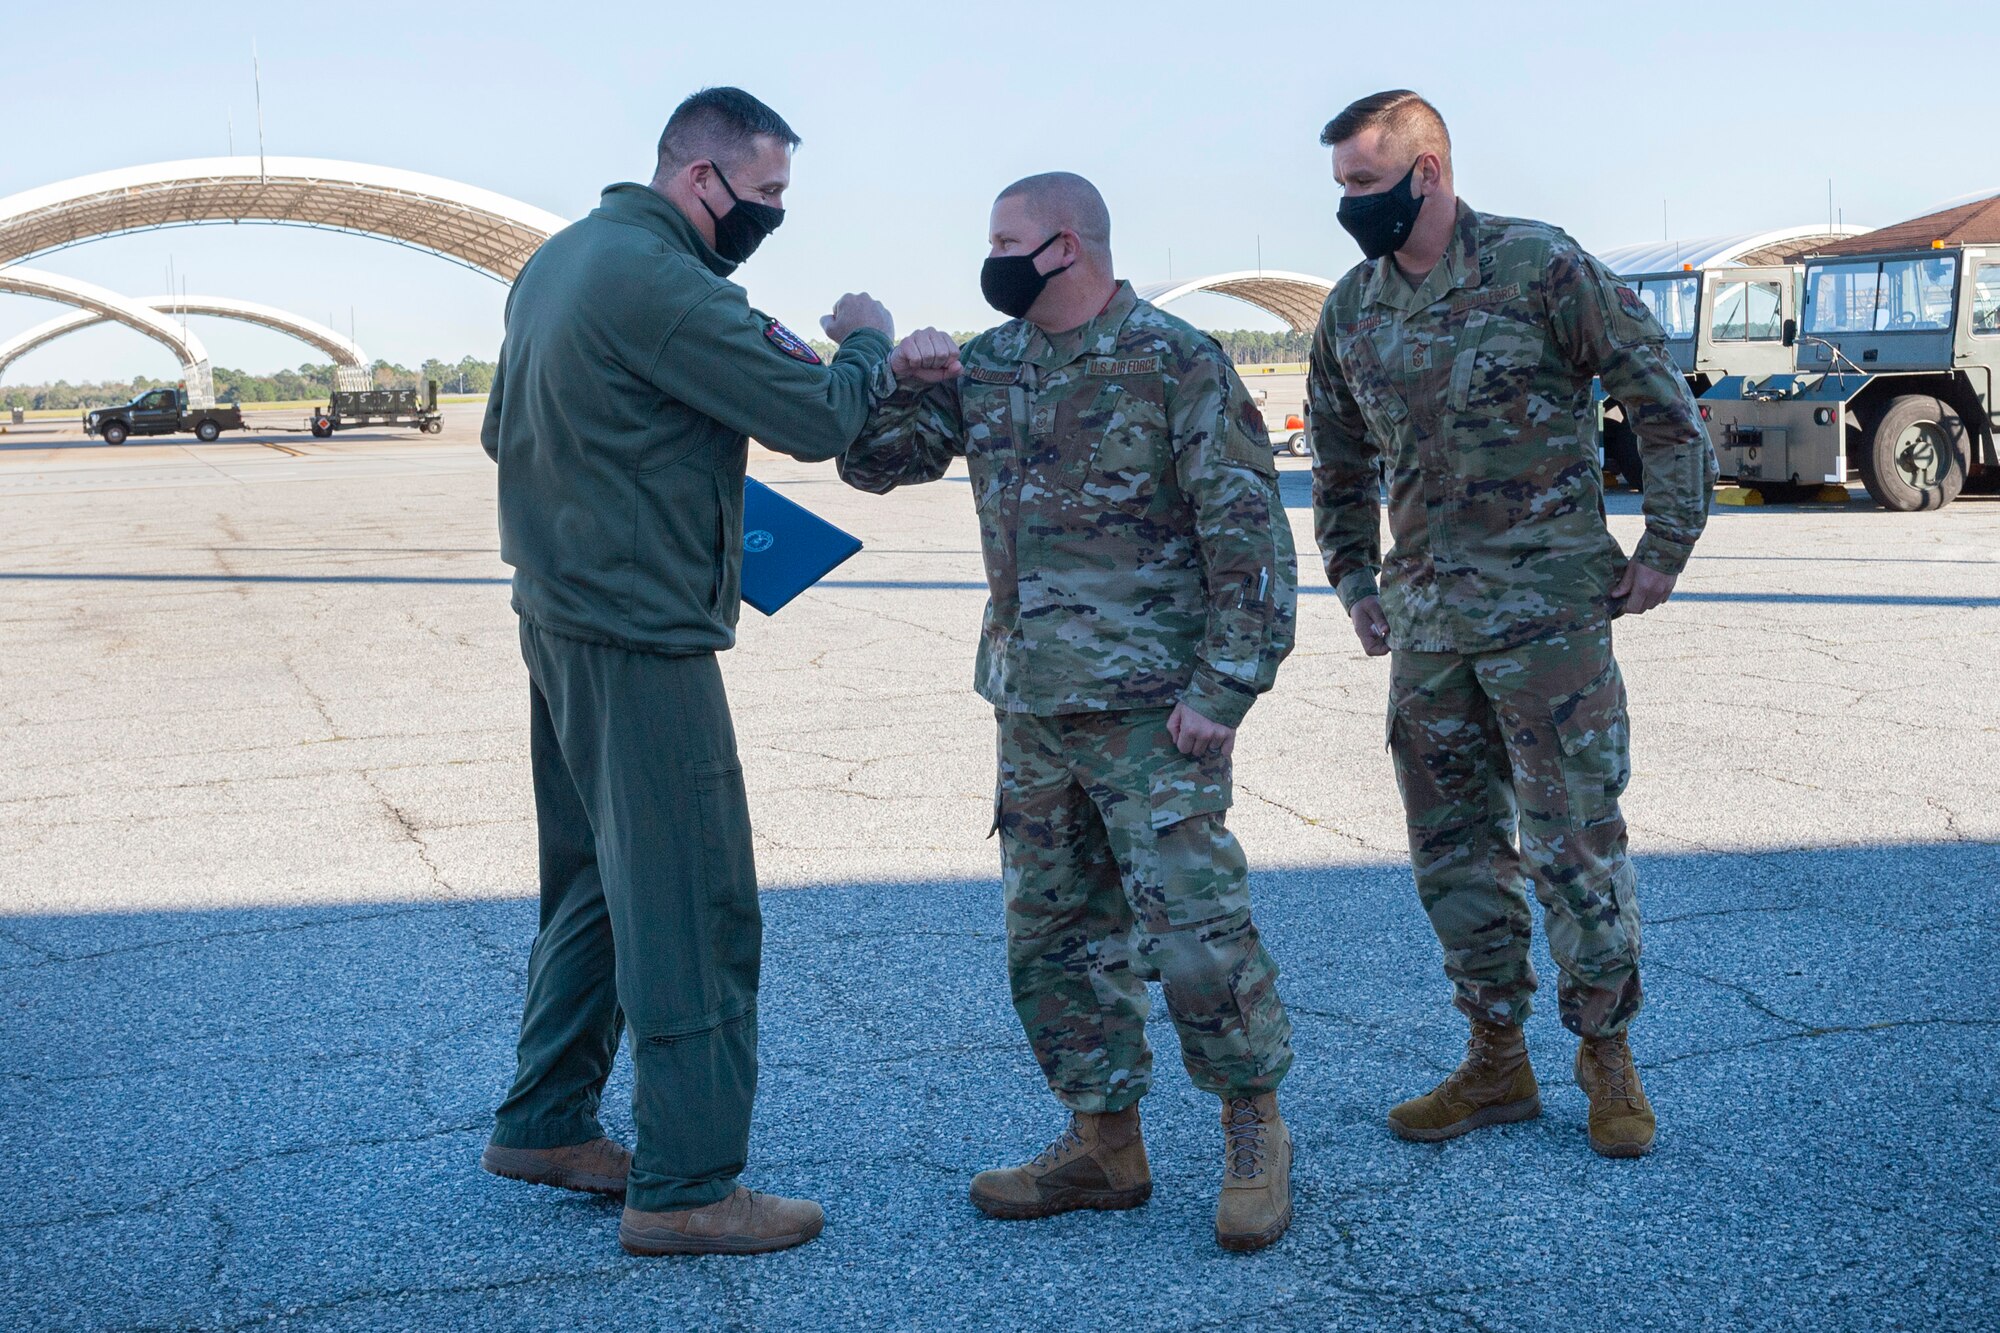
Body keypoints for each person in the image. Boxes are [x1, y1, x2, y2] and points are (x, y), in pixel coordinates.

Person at [840, 172, 1300, 1251]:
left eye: (1003, 239)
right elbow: (871, 467)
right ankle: (1102, 1141)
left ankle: (1254, 1130)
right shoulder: (988, 365)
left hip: (1155, 710)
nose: (986, 257)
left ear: (1065, 247)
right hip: (1033, 704)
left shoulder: (1175, 360)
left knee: (1192, 930)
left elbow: (1248, 539)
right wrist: (895, 379)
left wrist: (1225, 687)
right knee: (1050, 937)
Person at [477, 86, 897, 1256]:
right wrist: (864, 333)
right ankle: (686, 1185)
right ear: (699, 178)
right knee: (693, 902)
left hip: (558, 618)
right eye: (764, 193)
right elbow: (818, 415)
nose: (771, 214)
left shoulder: (559, 261)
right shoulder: (658, 281)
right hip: (639, 636)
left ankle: (545, 1118)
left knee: (598, 886)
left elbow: (500, 431)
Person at [1308, 90, 1716, 1159]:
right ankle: (1494, 1059)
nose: (1346, 206)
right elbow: (1337, 464)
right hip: (1430, 631)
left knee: (1574, 842)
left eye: (1361, 183)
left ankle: (1606, 1057)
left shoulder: (1539, 266)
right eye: (1339, 186)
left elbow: (1657, 401)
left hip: (1548, 622)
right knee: (1451, 854)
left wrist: (1664, 546)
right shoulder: (1351, 311)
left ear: (1425, 173)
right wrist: (1353, 581)